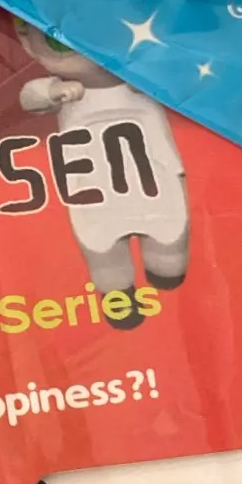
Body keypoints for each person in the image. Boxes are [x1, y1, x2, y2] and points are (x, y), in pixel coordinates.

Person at [16, 21, 189, 327]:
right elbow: (31, 97)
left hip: (154, 177)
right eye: (59, 41)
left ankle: (167, 273)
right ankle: (117, 295)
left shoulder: (144, 77)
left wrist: (152, 77)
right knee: (101, 247)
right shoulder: (61, 89)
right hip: (92, 187)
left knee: (169, 238)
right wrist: (53, 92)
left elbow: (182, 79)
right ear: (26, 41)